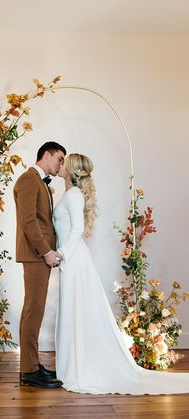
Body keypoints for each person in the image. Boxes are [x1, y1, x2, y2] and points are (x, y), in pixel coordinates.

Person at [54, 153, 189, 395]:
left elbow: (76, 229)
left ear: (71, 169)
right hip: (72, 259)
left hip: (73, 260)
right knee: (73, 309)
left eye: (64, 162)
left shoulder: (73, 195)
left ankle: (78, 368)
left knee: (75, 309)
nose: (60, 164)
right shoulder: (69, 194)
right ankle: (71, 364)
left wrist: (61, 254)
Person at [14, 141, 66, 388]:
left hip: (39, 255)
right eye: (60, 158)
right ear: (47, 155)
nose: (61, 164)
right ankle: (28, 371)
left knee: (36, 310)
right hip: (35, 255)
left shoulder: (40, 182)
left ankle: (33, 365)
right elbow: (28, 222)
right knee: (33, 311)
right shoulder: (28, 179)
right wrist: (45, 251)